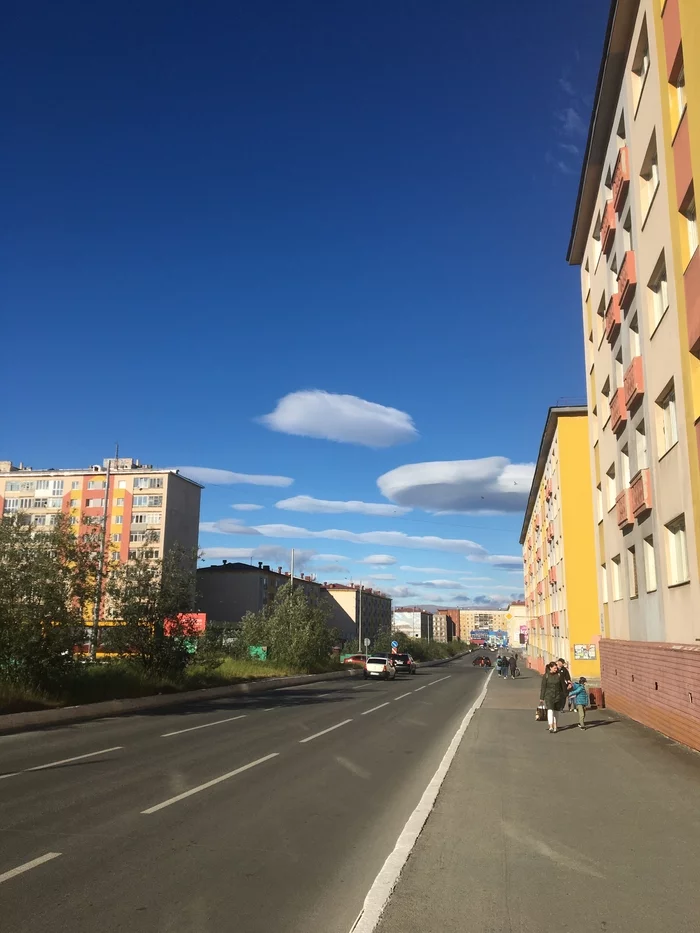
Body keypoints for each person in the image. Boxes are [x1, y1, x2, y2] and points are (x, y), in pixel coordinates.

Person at [540, 661, 566, 733]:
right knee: (550, 710)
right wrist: (541, 698)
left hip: (558, 695)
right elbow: (543, 687)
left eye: (556, 668)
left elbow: (562, 685)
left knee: (556, 712)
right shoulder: (546, 676)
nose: (556, 669)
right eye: (554, 668)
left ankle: (555, 726)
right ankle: (550, 726)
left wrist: (565, 694)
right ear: (550, 668)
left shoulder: (559, 675)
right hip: (548, 696)